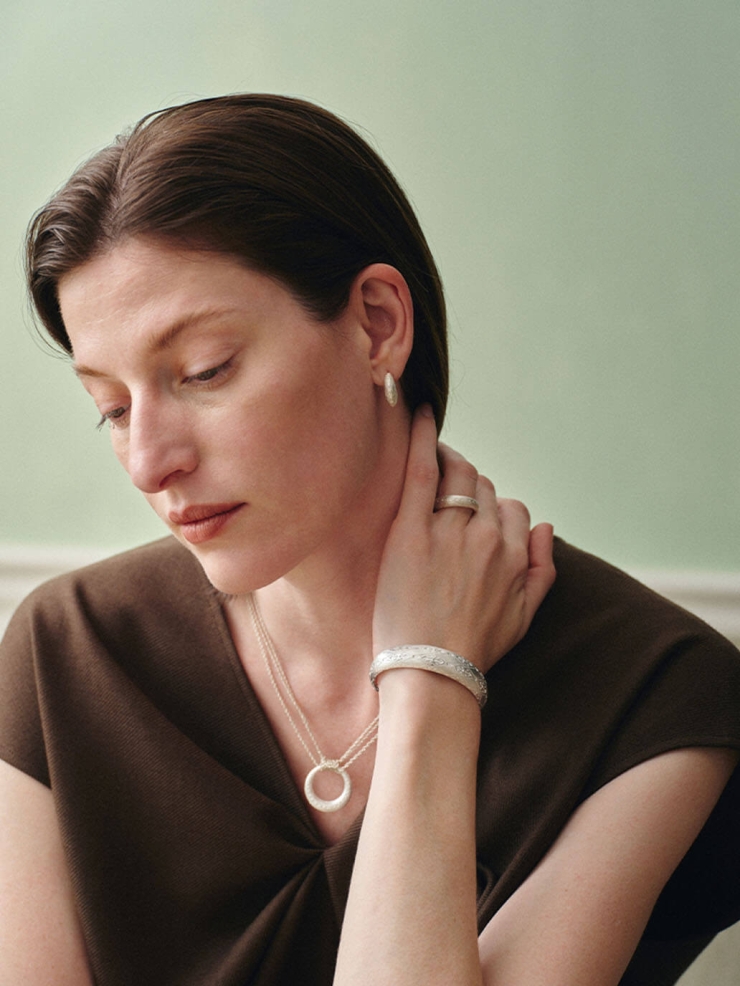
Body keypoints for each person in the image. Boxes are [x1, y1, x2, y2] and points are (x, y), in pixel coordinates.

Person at [1, 94, 739, 986]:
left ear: (377, 323)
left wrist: (430, 686)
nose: (149, 463)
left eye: (205, 371)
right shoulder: (69, 652)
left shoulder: (652, 693)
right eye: (111, 410)